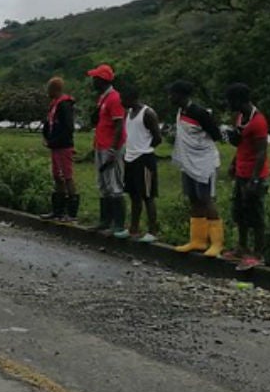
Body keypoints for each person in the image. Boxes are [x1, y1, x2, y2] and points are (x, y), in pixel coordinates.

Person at [167, 80, 224, 257]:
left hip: (203, 162)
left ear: (181, 95)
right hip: (188, 162)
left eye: (172, 94)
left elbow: (216, 134)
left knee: (206, 199)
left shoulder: (199, 113)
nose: (170, 97)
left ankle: (216, 242)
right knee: (194, 199)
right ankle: (198, 240)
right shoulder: (181, 112)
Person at [223, 83, 270, 269]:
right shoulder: (241, 117)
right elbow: (242, 144)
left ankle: (258, 254)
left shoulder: (258, 122)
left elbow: (261, 152)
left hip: (254, 175)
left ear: (239, 100)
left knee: (255, 215)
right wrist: (234, 163)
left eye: (230, 101)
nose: (228, 105)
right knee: (239, 212)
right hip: (241, 172)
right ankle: (242, 248)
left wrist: (255, 179)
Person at [118, 83, 163, 242]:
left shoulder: (147, 113)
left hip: (144, 159)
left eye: (123, 99)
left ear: (131, 98)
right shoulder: (128, 113)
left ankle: (153, 230)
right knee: (134, 195)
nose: (121, 102)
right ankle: (133, 228)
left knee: (148, 195)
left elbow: (157, 137)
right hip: (130, 159)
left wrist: (145, 148)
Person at [85, 64, 126, 233]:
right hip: (101, 144)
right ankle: (105, 221)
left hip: (110, 146)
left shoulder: (114, 98)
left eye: (95, 78)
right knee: (103, 184)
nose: (93, 81)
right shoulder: (103, 98)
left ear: (102, 80)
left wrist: (113, 149)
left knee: (114, 183)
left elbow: (119, 125)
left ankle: (118, 224)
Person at [39, 76, 79, 222]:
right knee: (57, 176)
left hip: (63, 146)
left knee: (67, 176)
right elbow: (48, 122)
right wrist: (46, 137)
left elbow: (68, 127)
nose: (47, 92)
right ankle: (58, 210)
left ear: (54, 89)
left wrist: (55, 141)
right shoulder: (54, 104)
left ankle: (72, 212)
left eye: (48, 89)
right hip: (55, 146)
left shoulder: (64, 105)